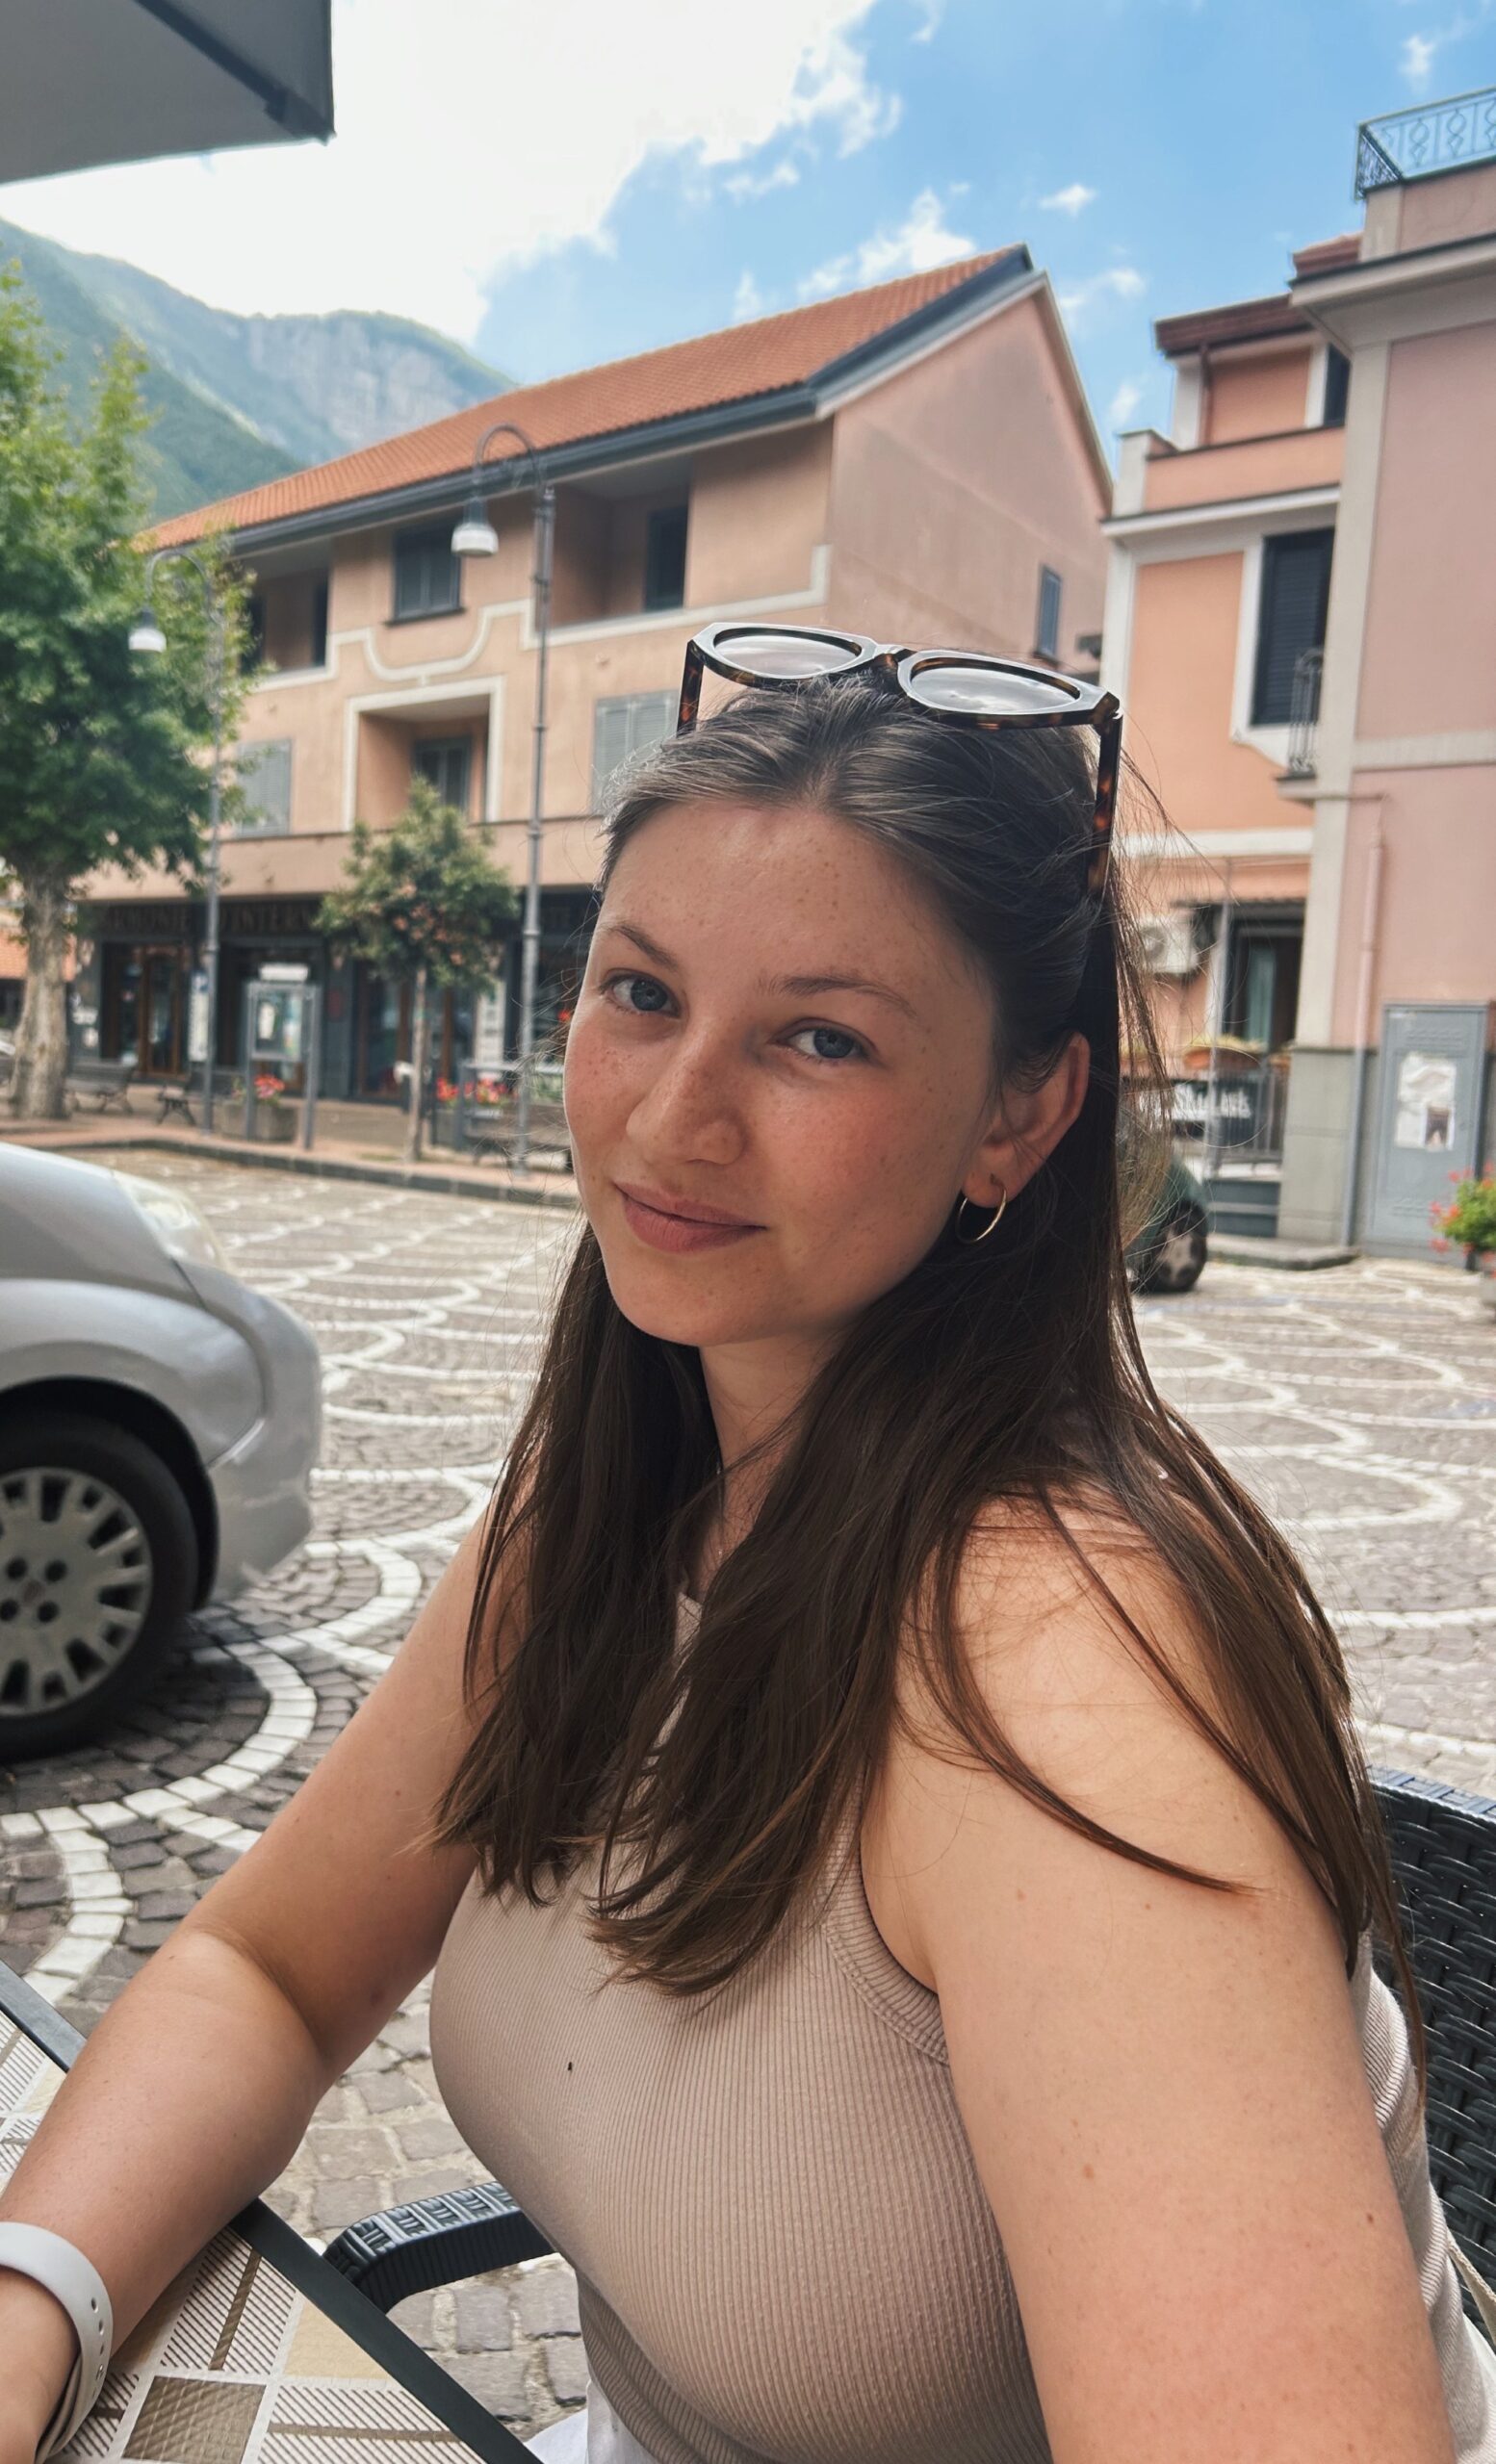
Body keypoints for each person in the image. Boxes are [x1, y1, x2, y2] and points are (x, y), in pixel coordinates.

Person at [1, 628, 1490, 2464]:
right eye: (640, 992)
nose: (673, 1114)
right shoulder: (619, 1495)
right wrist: (29, 2309)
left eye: (818, 1036)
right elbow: (272, 1970)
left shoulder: (1065, 1701)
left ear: (1019, 1113)